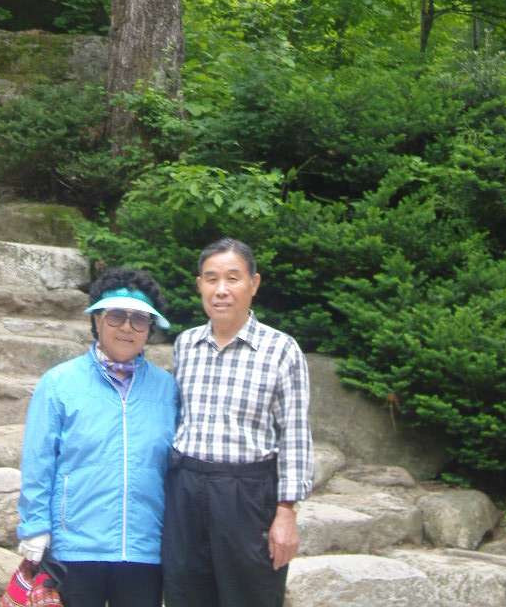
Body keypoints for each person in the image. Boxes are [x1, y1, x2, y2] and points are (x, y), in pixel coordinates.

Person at [162, 237, 313, 607]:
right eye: (211, 279)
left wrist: (286, 513)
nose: (221, 290)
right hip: (187, 489)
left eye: (233, 278)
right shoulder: (186, 345)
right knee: (185, 594)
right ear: (199, 284)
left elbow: (295, 435)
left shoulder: (281, 350)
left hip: (247, 495)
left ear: (253, 284)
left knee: (251, 596)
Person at [16, 267, 178, 607]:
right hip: (74, 547)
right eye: (116, 316)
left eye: (139, 319)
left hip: (144, 549)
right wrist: (35, 527)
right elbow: (39, 460)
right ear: (97, 320)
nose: (127, 328)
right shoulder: (59, 383)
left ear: (150, 328)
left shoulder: (167, 389)